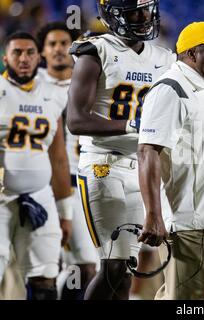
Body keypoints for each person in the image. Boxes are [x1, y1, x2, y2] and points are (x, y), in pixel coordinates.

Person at [66, 0, 175, 300]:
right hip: (103, 164)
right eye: (134, 11)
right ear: (112, 14)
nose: (143, 16)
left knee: (126, 269)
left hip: (143, 165)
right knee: (113, 265)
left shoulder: (164, 57)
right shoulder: (95, 51)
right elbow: (75, 119)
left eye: (146, 9)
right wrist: (130, 125)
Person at [137, 21, 204, 300]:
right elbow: (148, 151)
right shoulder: (171, 88)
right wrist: (153, 215)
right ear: (192, 54)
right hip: (183, 220)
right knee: (185, 299)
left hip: (201, 217)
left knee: (178, 295)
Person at [0, 31, 72, 300]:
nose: (24, 58)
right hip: (1, 198)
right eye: (17, 52)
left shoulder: (53, 95)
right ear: (5, 56)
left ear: (38, 56)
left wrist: (65, 212)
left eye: (30, 52)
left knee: (45, 279)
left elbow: (59, 157)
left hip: (41, 196)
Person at [36, 21, 99, 300]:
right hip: (41, 186)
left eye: (65, 43)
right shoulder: (32, 86)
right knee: (42, 267)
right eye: (52, 44)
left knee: (89, 265)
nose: (59, 49)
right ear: (42, 52)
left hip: (83, 184)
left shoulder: (90, 83)